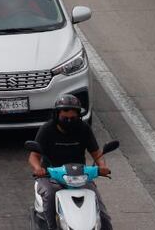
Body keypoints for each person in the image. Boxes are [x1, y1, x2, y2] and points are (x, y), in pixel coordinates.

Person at [29, 94, 112, 230]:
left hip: (80, 177)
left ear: (78, 117)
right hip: (50, 176)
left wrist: (102, 166)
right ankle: (51, 227)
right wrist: (38, 168)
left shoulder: (83, 128)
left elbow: (97, 154)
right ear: (57, 116)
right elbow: (34, 156)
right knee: (49, 195)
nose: (69, 121)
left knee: (101, 211)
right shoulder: (47, 129)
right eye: (64, 118)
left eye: (72, 118)